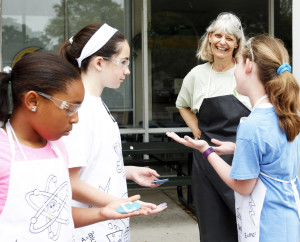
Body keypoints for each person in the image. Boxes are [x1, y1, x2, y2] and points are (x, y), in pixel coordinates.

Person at [0, 52, 155, 241]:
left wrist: (104, 212)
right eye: (69, 109)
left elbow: (60, 216)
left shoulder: (57, 148)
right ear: (33, 101)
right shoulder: (3, 151)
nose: (76, 119)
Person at [167, 34, 300, 242]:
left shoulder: (251, 125)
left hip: (264, 228)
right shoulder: (286, 116)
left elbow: (242, 186)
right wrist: (238, 148)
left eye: (236, 63)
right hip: (289, 224)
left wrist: (206, 150)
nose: (234, 71)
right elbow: (272, 158)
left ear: (248, 66)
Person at [58, 23, 167, 241]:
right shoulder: (81, 110)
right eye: (123, 62)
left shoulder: (95, 103)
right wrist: (119, 204)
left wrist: (127, 171)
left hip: (107, 226)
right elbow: (70, 180)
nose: (127, 70)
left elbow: (90, 163)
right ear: (99, 62)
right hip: (91, 229)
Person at [175, 12, 251, 241]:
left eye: (229, 38)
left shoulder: (246, 71)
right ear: (209, 37)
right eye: (218, 35)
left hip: (241, 158)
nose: (222, 42)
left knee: (245, 223)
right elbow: (182, 105)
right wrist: (197, 130)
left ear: (237, 43)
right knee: (212, 226)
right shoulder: (196, 75)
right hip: (207, 161)